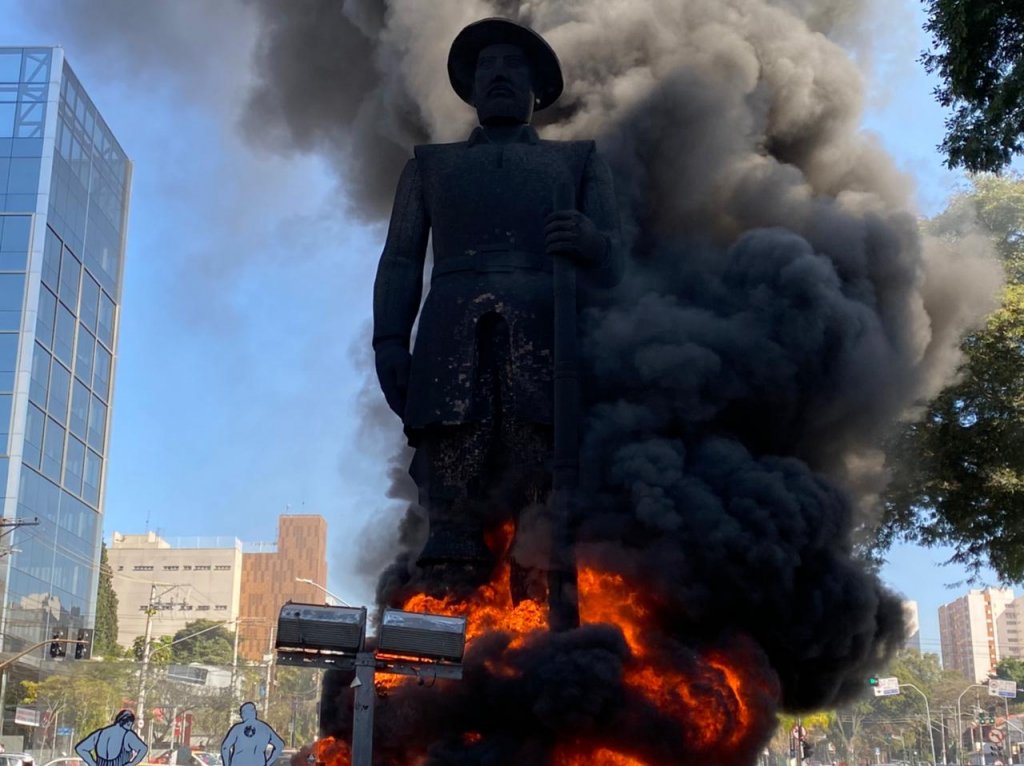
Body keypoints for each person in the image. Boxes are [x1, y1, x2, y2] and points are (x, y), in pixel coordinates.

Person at [374, 17, 623, 598]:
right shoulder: (430, 168)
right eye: (489, 66)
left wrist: (590, 241)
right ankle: (446, 603)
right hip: (449, 343)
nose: (501, 76)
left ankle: (537, 603)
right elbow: (401, 261)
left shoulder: (579, 163)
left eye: (516, 67)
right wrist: (390, 340)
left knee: (543, 496)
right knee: (451, 496)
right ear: (470, 86)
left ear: (539, 90)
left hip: (547, 339)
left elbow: (615, 268)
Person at [75, 710, 148, 766]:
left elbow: (80, 748)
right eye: (130, 725)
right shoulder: (127, 735)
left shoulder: (99, 733)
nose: (130, 728)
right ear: (128, 723)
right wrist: (131, 764)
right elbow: (143, 749)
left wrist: (93, 764)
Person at [219, 702, 284, 766]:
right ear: (255, 712)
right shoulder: (265, 729)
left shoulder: (237, 729)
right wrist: (268, 763)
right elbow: (280, 745)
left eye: (242, 713)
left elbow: (225, 748)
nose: (241, 715)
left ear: (244, 713)